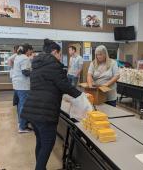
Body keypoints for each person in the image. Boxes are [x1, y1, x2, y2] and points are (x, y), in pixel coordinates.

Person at [21, 39, 87, 170]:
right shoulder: (53, 65)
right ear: (54, 52)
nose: (59, 56)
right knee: (48, 143)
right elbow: (65, 86)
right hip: (45, 112)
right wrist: (82, 98)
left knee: (40, 142)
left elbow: (50, 86)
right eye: (59, 53)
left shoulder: (37, 65)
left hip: (32, 110)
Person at [12, 43, 33, 133]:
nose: (32, 52)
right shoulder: (25, 58)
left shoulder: (18, 56)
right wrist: (35, 72)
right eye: (31, 50)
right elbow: (25, 72)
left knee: (20, 104)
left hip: (17, 84)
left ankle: (20, 123)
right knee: (24, 106)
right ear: (28, 50)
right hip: (23, 86)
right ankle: (22, 127)